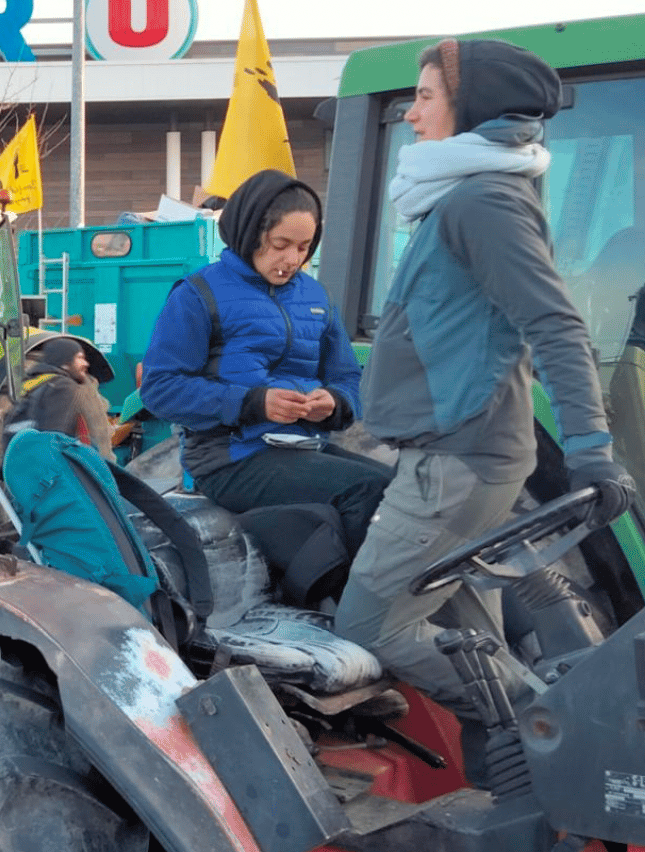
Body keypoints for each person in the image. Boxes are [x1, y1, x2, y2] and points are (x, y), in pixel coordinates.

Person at [334, 39, 634, 725]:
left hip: (458, 462)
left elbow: (555, 324)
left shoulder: (481, 202)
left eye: (427, 96)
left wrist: (589, 446)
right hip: (459, 455)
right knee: (470, 630)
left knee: (369, 628)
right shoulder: (469, 193)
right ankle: (516, 766)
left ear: (471, 107)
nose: (411, 113)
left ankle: (557, 737)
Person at [141, 169, 390, 564]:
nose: (292, 259)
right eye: (280, 244)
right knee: (366, 488)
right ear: (249, 233)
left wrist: (336, 402)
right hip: (229, 458)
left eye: (304, 247)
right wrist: (254, 403)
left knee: (397, 489)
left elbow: (346, 376)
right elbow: (160, 388)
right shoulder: (198, 294)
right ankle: (352, 612)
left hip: (303, 445)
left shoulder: (315, 295)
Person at [2, 337, 113, 459]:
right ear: (65, 363)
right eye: (79, 358)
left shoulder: (33, 384)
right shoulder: (63, 387)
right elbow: (56, 437)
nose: (86, 363)